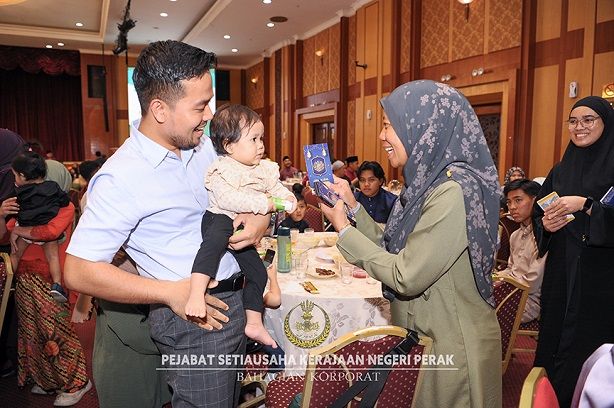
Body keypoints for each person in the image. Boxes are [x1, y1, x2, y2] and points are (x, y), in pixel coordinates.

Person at [64, 40, 270, 408]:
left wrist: (259, 220)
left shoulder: (204, 146)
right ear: (159, 109)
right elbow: (78, 270)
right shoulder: (121, 177)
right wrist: (169, 293)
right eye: (200, 106)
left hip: (239, 296)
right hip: (196, 317)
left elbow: (253, 186)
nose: (209, 115)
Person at [320, 80, 502, 407]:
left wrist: (343, 229)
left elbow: (406, 273)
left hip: (452, 345)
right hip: (426, 335)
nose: (381, 136)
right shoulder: (427, 182)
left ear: (425, 128)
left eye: (389, 125)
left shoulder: (454, 191)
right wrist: (353, 207)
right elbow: (393, 248)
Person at [186, 104, 296, 348]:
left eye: (261, 138)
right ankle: (196, 292)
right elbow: (228, 199)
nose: (261, 145)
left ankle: (254, 323)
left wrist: (289, 199)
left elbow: (277, 190)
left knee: (258, 272)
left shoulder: (263, 169)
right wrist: (265, 204)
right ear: (229, 146)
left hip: (243, 226)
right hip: (220, 217)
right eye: (254, 139)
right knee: (212, 246)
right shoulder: (222, 169)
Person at [533, 96, 614, 407]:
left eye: (588, 119)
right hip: (562, 272)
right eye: (573, 121)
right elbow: (539, 215)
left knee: (591, 350)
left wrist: (587, 205)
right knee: (555, 342)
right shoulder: (561, 169)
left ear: (606, 123)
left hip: (601, 279)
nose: (580, 127)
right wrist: (546, 225)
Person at [0, 163, 91, 407]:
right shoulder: (24, 203)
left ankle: (77, 383)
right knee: (32, 333)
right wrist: (1, 215)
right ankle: (47, 380)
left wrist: (19, 229)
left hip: (50, 278)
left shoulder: (63, 205)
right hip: (24, 277)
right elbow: (3, 236)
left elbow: (49, 232)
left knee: (57, 332)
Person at [10, 152, 70, 303]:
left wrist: (16, 227)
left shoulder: (20, 192)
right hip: (46, 226)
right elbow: (64, 201)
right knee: (53, 257)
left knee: (15, 254)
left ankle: (8, 281)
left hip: (25, 228)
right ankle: (57, 285)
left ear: (23, 176)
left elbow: (16, 211)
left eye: (15, 175)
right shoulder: (53, 187)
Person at [495, 179, 545, 323]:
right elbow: (511, 269)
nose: (512, 207)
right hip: (511, 292)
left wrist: (502, 284)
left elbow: (531, 284)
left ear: (535, 201)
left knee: (481, 311)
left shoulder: (543, 237)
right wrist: (494, 278)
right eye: (509, 202)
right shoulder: (515, 236)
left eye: (518, 200)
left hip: (530, 302)